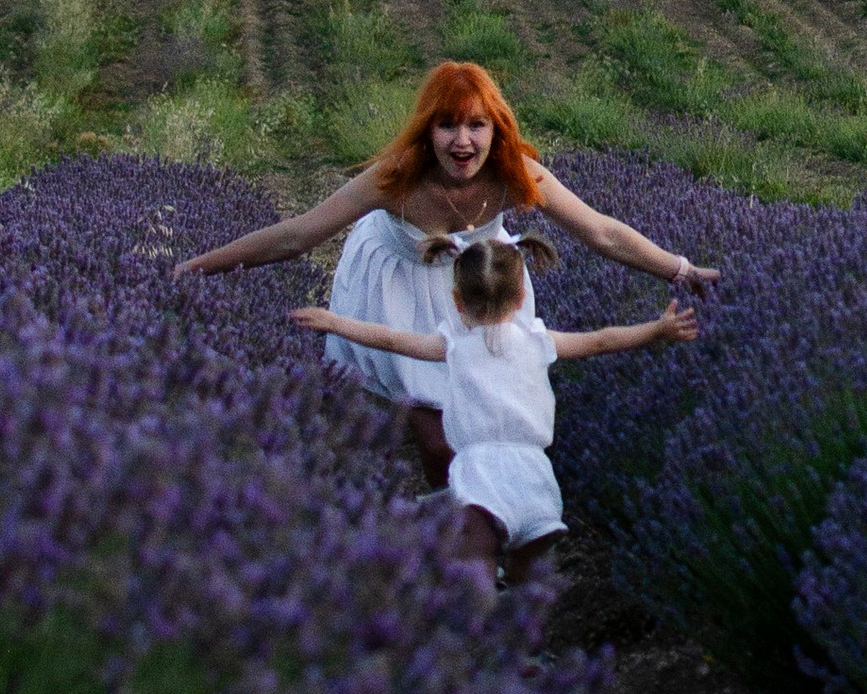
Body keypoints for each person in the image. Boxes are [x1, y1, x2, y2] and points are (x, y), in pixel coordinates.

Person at [175, 59, 715, 486]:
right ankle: (456, 535)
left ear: (496, 128)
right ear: (427, 132)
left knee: (489, 416)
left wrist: (681, 270)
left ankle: (486, 524)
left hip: (483, 286)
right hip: (401, 287)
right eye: (448, 125)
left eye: (477, 125)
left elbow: (601, 231)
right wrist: (202, 266)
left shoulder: (514, 175)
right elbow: (298, 234)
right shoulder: (396, 181)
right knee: (436, 436)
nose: (463, 142)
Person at [290, 223, 696, 588]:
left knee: (475, 557)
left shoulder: (453, 344)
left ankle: (485, 637)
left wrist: (335, 321)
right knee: (530, 571)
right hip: (533, 472)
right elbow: (601, 340)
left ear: (457, 301)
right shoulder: (538, 341)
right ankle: (528, 648)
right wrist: (658, 329)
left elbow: (392, 339)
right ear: (522, 297)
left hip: (479, 470)